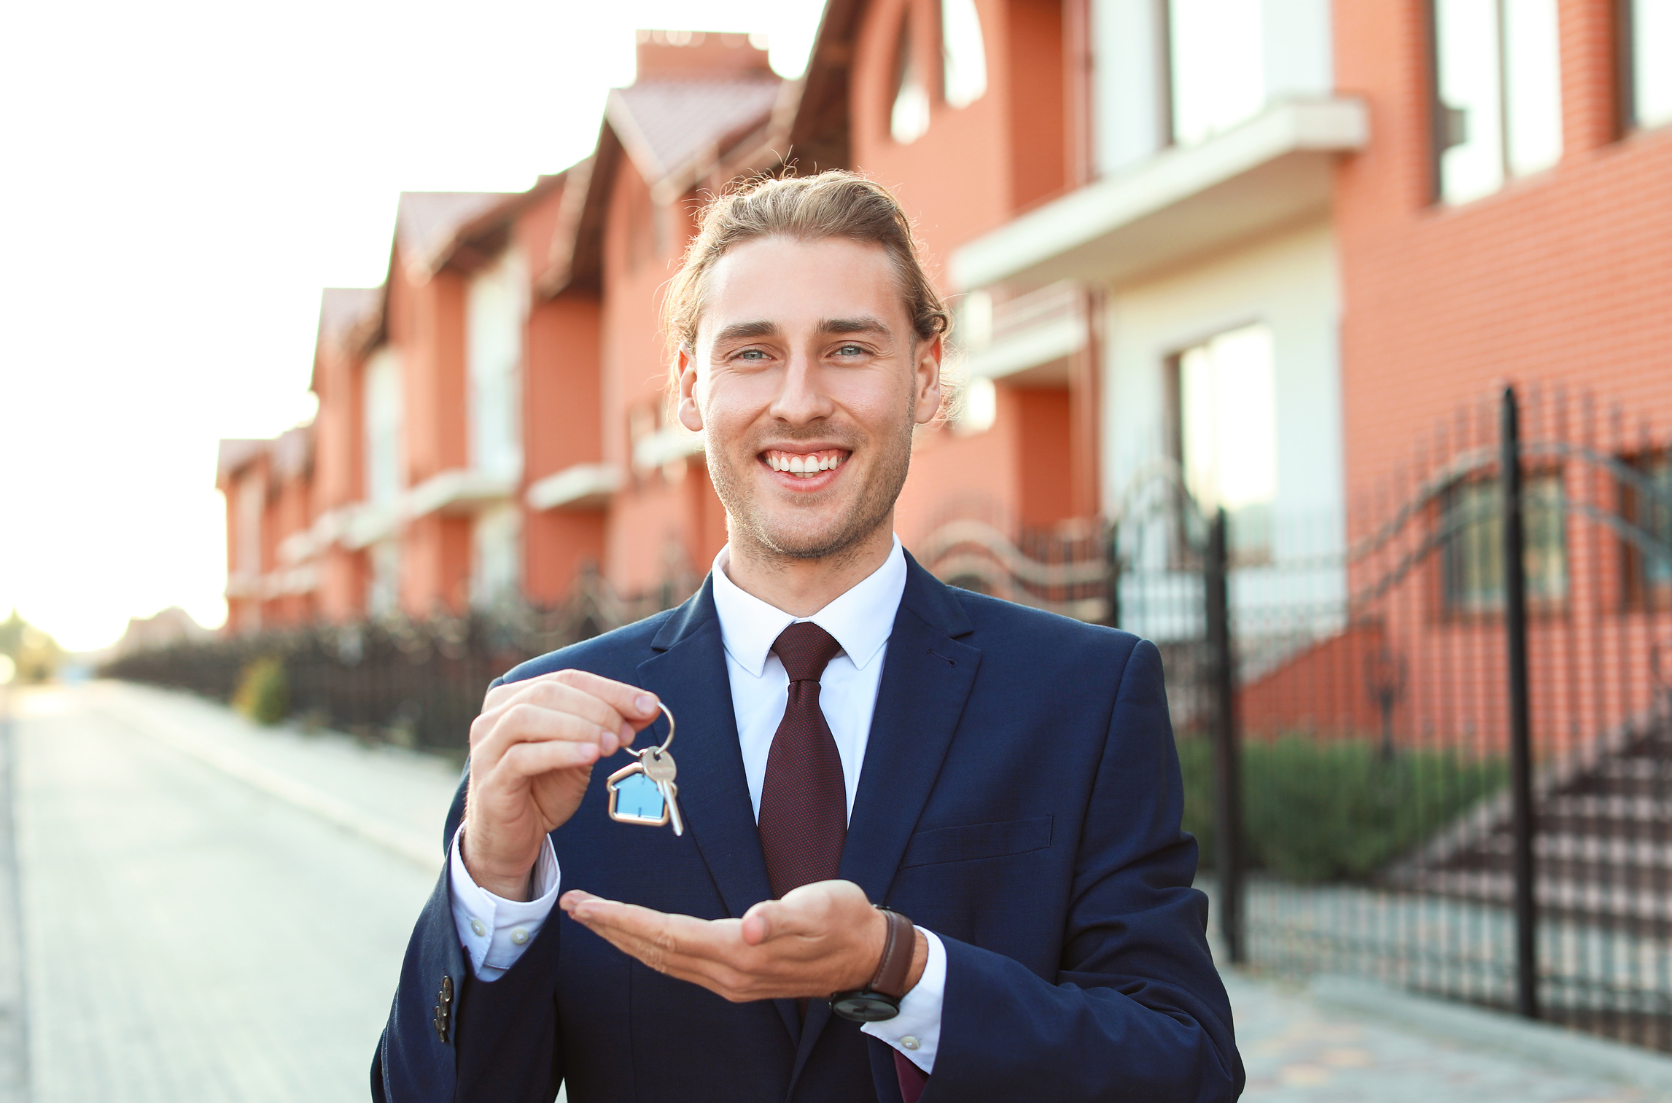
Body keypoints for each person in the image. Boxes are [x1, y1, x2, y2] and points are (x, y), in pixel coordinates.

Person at [372, 171, 1241, 1102]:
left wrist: (905, 970)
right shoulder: (550, 724)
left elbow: (1180, 1065)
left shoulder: (1084, 697)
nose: (798, 401)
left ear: (927, 373)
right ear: (689, 385)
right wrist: (491, 883)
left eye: (848, 348)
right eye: (751, 353)